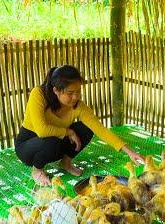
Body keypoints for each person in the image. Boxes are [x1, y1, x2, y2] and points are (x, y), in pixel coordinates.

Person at [14, 65, 144, 186]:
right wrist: (69, 132)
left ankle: (65, 163)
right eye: (70, 93)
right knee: (51, 140)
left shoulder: (78, 106)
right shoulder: (39, 94)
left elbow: (101, 130)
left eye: (78, 91)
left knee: (86, 128)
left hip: (54, 144)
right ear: (56, 90)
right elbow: (42, 131)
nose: (75, 97)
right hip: (28, 147)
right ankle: (37, 170)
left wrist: (130, 152)